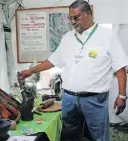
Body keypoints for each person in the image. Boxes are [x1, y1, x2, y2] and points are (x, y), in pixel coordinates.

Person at [19, 1, 128, 141]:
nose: (72, 22)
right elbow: (52, 61)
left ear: (88, 14)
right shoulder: (68, 38)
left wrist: (122, 96)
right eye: (70, 18)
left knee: (98, 136)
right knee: (70, 135)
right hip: (69, 99)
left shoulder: (107, 36)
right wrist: (31, 71)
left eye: (76, 17)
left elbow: (120, 68)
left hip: (94, 100)